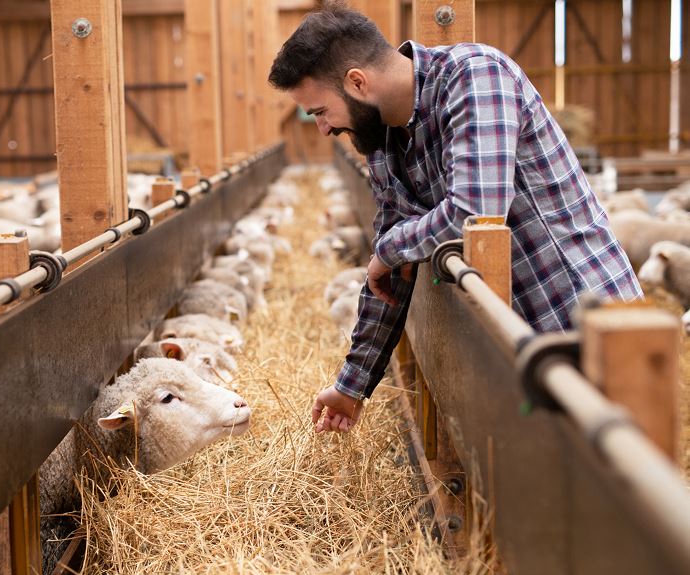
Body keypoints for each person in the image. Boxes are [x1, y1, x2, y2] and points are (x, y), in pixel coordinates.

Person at [267, 3, 643, 434]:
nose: (323, 129)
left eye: (319, 111)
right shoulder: (384, 143)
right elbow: (390, 269)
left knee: (621, 481)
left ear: (357, 82)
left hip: (581, 320)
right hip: (514, 340)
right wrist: (351, 386)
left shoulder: (476, 77)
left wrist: (387, 252)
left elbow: (476, 212)